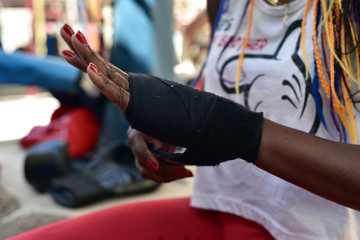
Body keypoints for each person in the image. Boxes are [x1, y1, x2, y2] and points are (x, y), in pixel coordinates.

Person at [7, 0, 360, 239]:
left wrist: (234, 130)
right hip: (219, 212)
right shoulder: (227, 4)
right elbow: (225, 95)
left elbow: (230, 123)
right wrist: (167, 125)